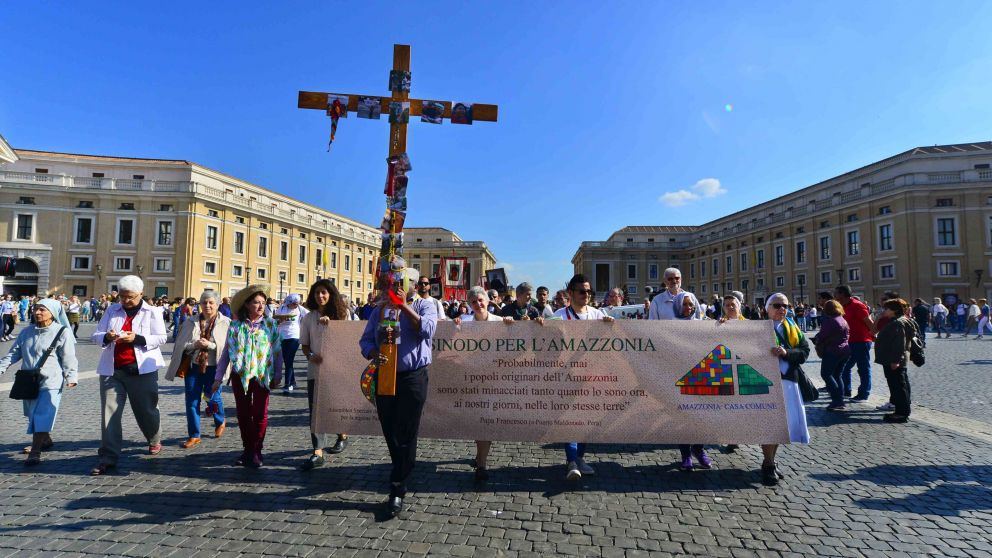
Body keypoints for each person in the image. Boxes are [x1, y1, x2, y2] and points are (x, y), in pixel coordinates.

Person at [359, 267, 438, 516]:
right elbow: (366, 341)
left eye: (403, 282)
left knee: (406, 430)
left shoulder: (426, 306)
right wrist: (373, 353)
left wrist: (404, 306)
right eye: (394, 282)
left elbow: (427, 331)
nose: (397, 286)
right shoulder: (380, 309)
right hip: (385, 374)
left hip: (413, 376)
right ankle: (401, 467)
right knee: (389, 427)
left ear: (414, 285)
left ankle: (397, 486)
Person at [90, 275, 167, 476]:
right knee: (110, 415)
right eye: (122, 296)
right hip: (113, 370)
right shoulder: (111, 309)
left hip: (142, 370)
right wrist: (107, 336)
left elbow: (162, 337)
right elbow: (96, 335)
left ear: (140, 294)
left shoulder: (152, 311)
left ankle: (154, 438)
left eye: (130, 297)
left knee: (146, 411)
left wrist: (137, 338)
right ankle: (108, 457)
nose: (125, 301)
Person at [210, 284, 282, 468]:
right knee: (243, 414)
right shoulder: (235, 326)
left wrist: (278, 374)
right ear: (247, 305)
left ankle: (257, 449)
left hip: (262, 375)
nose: (260, 306)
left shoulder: (271, 325)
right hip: (239, 375)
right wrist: (218, 378)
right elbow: (226, 353)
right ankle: (247, 449)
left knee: (260, 413)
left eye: (263, 303)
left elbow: (277, 352)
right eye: (256, 302)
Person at [0, 299, 77, 465]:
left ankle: (35, 451)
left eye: (42, 309)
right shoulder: (26, 332)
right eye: (36, 309)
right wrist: (2, 367)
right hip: (28, 380)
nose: (37, 312)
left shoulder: (62, 332)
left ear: (53, 313)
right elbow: (14, 353)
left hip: (51, 380)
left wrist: (71, 376)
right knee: (32, 413)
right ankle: (46, 439)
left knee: (42, 413)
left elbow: (69, 356)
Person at [553, 274, 615, 481]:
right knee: (570, 418)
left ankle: (579, 458)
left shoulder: (598, 314)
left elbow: (612, 342)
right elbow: (543, 340)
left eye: (589, 291)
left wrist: (610, 327)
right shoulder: (560, 315)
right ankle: (571, 460)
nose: (586, 295)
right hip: (567, 375)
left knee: (587, 418)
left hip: (591, 375)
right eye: (582, 291)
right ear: (570, 293)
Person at [456, 286, 514, 482]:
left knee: (485, 420)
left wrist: (511, 326)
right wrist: (452, 325)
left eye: (481, 300)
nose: (478, 304)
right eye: (473, 302)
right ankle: (480, 459)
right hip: (470, 379)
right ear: (470, 305)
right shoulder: (463, 322)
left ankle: (481, 464)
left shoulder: (500, 321)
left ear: (488, 301)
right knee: (477, 421)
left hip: (494, 379)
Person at [166, 290, 230, 449]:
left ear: (217, 304)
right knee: (192, 401)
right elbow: (181, 345)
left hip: (215, 368)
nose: (207, 306)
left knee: (213, 398)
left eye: (211, 303)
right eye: (204, 302)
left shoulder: (226, 322)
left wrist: (211, 345)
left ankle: (220, 420)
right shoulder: (189, 322)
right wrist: (195, 345)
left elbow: (229, 347)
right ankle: (194, 435)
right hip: (194, 367)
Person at [299, 279, 351, 470]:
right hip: (316, 370)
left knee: (335, 405)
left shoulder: (343, 315)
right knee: (316, 409)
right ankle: (317, 451)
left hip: (338, 370)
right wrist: (311, 356)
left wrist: (332, 326)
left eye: (324, 293)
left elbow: (350, 339)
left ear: (331, 294)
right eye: (316, 293)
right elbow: (304, 345)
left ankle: (342, 434)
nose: (320, 296)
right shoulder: (308, 317)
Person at [762, 293, 811, 486]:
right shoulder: (756, 327)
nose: (782, 309)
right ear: (768, 308)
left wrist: (787, 352)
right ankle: (768, 464)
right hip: (765, 383)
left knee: (784, 424)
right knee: (770, 424)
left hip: (789, 381)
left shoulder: (793, 328)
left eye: (785, 305)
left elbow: (805, 351)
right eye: (777, 305)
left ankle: (771, 462)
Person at [671, 291, 713, 470]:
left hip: (701, 375)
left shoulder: (702, 325)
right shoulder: (669, 325)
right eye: (684, 304)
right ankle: (685, 454)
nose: (688, 308)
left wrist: (723, 324)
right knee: (682, 417)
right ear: (677, 306)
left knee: (702, 415)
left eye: (690, 305)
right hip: (679, 374)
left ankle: (699, 449)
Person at [874, 298, 917, 423]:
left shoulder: (897, 323)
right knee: (901, 385)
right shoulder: (901, 320)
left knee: (898, 386)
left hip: (893, 359)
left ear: (894, 310)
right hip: (894, 358)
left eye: (886, 308)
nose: (884, 310)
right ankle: (902, 409)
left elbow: (900, 343)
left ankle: (901, 413)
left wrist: (896, 360)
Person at [834, 286, 874, 402]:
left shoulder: (857, 305)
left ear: (843, 294)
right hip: (849, 341)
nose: (835, 296)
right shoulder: (842, 306)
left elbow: (869, 322)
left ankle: (863, 393)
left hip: (861, 341)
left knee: (863, 368)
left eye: (836, 293)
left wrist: (874, 335)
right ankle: (846, 391)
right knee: (845, 367)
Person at [813, 300, 851, 411]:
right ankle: (840, 400)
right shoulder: (843, 319)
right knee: (837, 375)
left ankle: (837, 400)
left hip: (833, 351)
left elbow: (822, 336)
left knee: (826, 374)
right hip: (845, 350)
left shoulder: (830, 321)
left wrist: (817, 339)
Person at [275, 293, 308, 393]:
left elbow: (309, 316)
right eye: (293, 303)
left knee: (289, 360)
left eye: (297, 303)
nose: (295, 305)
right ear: (288, 302)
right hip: (282, 336)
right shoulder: (282, 308)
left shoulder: (300, 309)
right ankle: (293, 381)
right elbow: (275, 319)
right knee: (287, 360)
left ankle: (287, 384)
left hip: (294, 336)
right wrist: (280, 320)